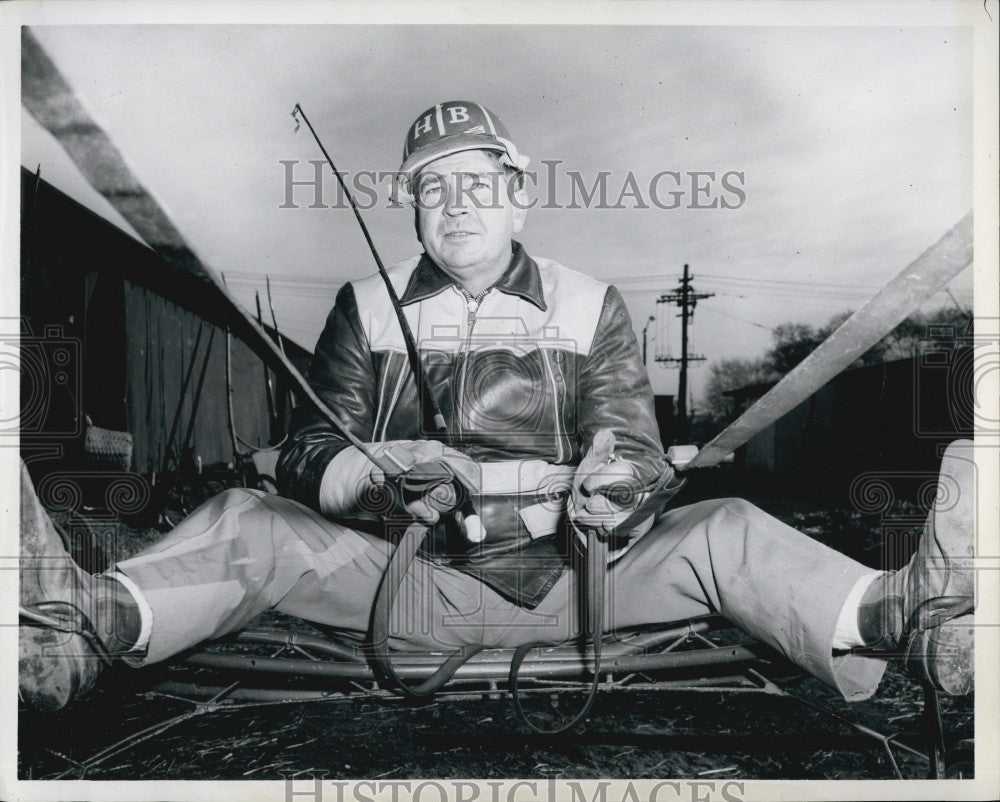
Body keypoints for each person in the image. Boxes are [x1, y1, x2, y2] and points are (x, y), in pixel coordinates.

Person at [19, 100, 975, 713]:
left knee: (725, 526)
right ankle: (77, 629)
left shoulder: (591, 301)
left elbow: (637, 448)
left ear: (518, 198)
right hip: (402, 584)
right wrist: (364, 469)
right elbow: (308, 443)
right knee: (245, 519)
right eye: (434, 188)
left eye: (478, 183)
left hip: (583, 584)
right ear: (415, 207)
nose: (456, 204)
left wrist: (620, 489)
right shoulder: (362, 304)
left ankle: (914, 619)